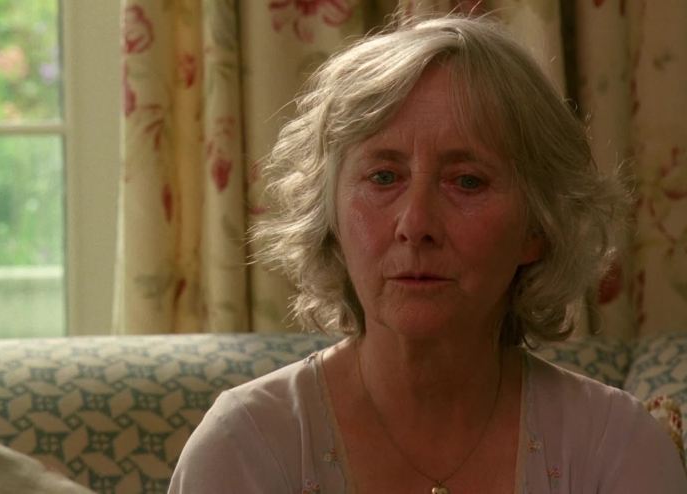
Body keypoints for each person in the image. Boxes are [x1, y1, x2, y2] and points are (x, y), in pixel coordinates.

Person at [169, 15, 687, 493]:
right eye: (383, 177)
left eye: (467, 181)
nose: (416, 224)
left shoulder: (615, 447)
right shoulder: (245, 447)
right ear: (330, 216)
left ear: (538, 227)